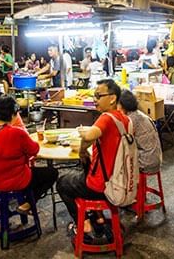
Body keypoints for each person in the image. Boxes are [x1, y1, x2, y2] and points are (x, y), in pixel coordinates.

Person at [57, 79, 129, 240]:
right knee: (86, 169)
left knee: (62, 183)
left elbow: (89, 135)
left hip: (102, 187)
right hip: (121, 183)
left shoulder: (106, 117)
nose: (95, 99)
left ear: (112, 98)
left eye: (98, 95)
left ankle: (83, 224)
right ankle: (98, 217)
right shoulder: (124, 120)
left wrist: (83, 150)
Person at [0, 95, 58, 213]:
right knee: (52, 173)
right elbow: (34, 150)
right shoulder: (17, 133)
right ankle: (27, 203)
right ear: (13, 115)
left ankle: (23, 201)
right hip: (15, 181)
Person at [118, 90, 162, 172]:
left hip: (146, 162)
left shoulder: (131, 119)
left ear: (123, 105)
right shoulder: (138, 114)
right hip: (154, 159)